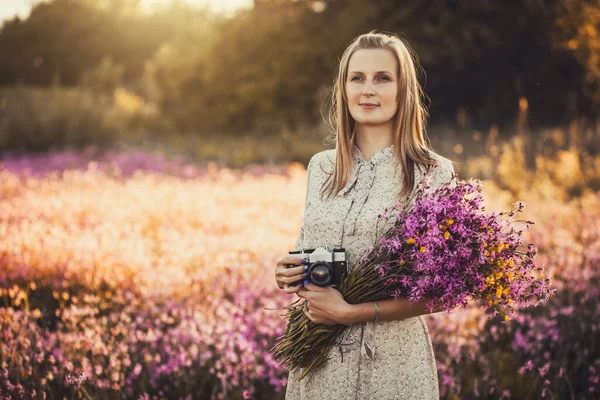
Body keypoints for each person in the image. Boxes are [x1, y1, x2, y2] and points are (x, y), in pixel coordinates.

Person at [274, 30, 456, 400]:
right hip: (319, 367)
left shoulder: (434, 173)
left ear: (402, 90)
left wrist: (350, 313)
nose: (367, 90)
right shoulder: (322, 167)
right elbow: (306, 245)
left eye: (382, 78)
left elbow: (441, 292)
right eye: (357, 78)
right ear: (343, 89)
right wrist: (288, 270)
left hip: (394, 369)